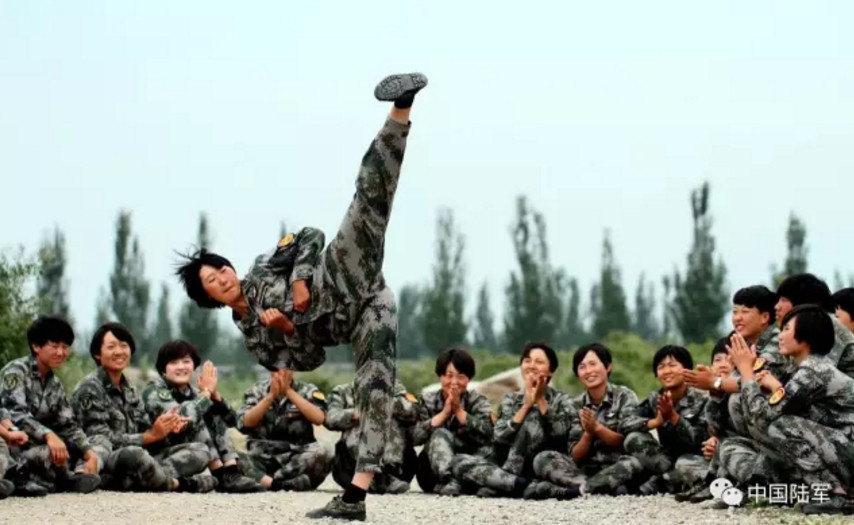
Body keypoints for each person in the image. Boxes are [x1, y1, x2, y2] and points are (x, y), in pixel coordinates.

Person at [176, 72, 427, 522]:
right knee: (375, 392)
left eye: (221, 268)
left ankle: (400, 110)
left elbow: (309, 235)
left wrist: (300, 282)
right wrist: (287, 329)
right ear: (209, 297)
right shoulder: (254, 339)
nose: (223, 277)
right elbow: (309, 361)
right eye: (211, 280)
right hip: (359, 317)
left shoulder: (260, 266)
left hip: (342, 278)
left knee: (368, 205)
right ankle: (355, 498)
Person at [725, 304, 854, 515]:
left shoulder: (813, 370)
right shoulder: (806, 368)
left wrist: (746, 371)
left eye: (786, 329)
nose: (781, 336)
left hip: (848, 451)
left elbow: (764, 417)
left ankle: (834, 494)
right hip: (842, 449)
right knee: (762, 433)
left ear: (805, 336)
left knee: (781, 426)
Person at [71, 323, 216, 493]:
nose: (119, 352)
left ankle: (137, 479)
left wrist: (166, 428)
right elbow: (100, 438)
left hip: (138, 457)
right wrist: (148, 436)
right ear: (97, 354)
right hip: (110, 457)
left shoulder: (130, 389)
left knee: (200, 451)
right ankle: (178, 484)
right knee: (133, 454)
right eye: (111, 347)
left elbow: (145, 428)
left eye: (124, 346)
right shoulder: (90, 388)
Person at [451, 343, 582, 500]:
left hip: (543, 463)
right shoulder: (510, 399)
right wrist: (525, 406)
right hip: (508, 464)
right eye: (527, 361)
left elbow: (560, 433)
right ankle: (525, 486)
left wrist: (539, 401)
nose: (532, 366)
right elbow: (498, 436)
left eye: (539, 362)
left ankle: (505, 484)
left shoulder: (562, 400)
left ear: (551, 371)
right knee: (459, 461)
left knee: (534, 422)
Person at [141, 340, 263, 493]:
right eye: (173, 362)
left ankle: (230, 473)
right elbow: (183, 417)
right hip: (159, 455)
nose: (181, 366)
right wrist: (206, 394)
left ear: (193, 367)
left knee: (211, 408)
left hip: (189, 451)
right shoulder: (154, 391)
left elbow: (235, 422)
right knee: (196, 411)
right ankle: (220, 473)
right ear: (163, 370)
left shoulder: (193, 393)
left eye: (186, 361)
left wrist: (215, 396)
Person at [0, 316, 100, 494]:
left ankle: (64, 479)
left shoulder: (55, 384)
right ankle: (21, 479)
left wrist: (88, 452)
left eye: (65, 347)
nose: (61, 353)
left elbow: (68, 424)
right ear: (36, 346)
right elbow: (16, 415)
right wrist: (48, 434)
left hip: (35, 445)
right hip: (13, 444)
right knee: (49, 452)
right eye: (54, 346)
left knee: (73, 447)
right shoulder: (15, 372)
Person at [621, 346, 708, 496]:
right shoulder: (655, 398)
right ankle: (669, 479)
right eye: (661, 367)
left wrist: (674, 417)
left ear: (687, 370)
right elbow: (624, 423)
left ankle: (659, 483)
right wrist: (654, 422)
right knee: (632, 439)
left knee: (684, 465)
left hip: (694, 459)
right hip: (666, 459)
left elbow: (698, 440)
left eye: (673, 365)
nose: (667, 371)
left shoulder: (702, 399)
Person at [412, 348, 493, 496]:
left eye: (461, 377)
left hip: (466, 462)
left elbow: (489, 433)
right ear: (440, 376)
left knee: (491, 450)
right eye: (449, 376)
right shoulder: (427, 401)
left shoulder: (478, 402)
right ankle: (449, 480)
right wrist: (444, 414)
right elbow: (413, 438)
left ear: (469, 379)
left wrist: (459, 412)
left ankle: (464, 483)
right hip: (432, 472)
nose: (454, 383)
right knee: (440, 434)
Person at [238, 369, 333, 491]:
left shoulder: (307, 390)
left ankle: (269, 481)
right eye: (276, 369)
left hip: (295, 459)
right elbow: (245, 423)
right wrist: (271, 396)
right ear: (270, 370)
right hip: (262, 457)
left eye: (286, 368)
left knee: (326, 451)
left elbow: (319, 418)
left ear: (293, 370)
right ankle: (284, 484)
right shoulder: (256, 391)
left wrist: (289, 392)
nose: (281, 372)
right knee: (233, 457)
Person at [326, 379, 418, 494]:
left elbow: (413, 412)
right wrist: (358, 413)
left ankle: (385, 476)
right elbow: (330, 419)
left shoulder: (396, 388)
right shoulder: (343, 391)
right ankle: (371, 478)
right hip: (352, 467)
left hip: (395, 469)